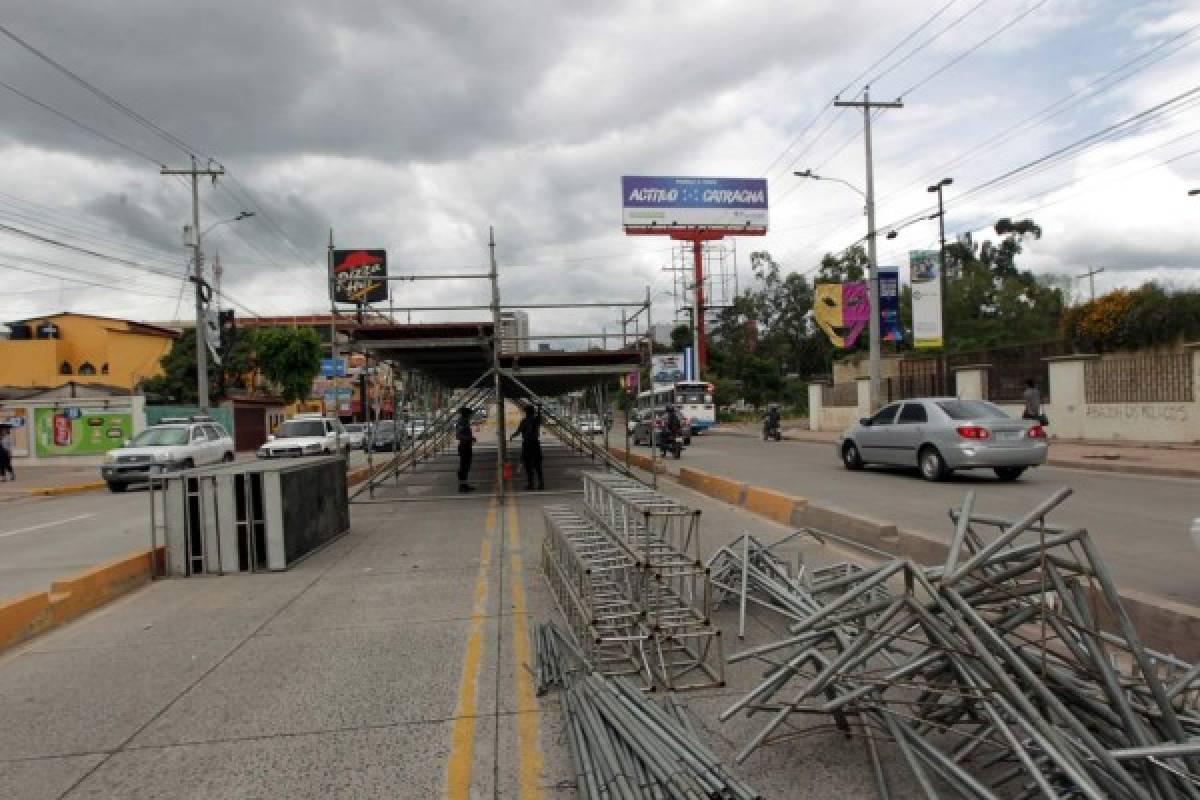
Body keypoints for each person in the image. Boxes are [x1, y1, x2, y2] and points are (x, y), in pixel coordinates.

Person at [510, 405, 545, 490]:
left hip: (528, 444)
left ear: (527, 412)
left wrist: (512, 436)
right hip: (534, 443)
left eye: (527, 412)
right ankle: (539, 483)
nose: (526, 413)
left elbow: (518, 431)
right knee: (536, 465)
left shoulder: (526, 421)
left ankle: (532, 484)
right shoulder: (535, 420)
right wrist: (539, 409)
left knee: (529, 465)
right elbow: (540, 417)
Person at [455, 406, 476, 493]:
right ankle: (462, 485)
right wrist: (469, 438)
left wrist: (471, 438)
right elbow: (458, 436)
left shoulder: (465, 421)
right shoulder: (461, 421)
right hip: (464, 446)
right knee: (463, 466)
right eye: (469, 414)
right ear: (466, 414)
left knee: (466, 466)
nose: (470, 416)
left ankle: (464, 484)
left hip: (467, 446)